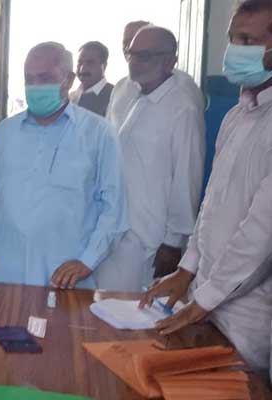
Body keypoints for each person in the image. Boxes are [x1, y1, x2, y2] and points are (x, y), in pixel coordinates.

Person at [140, 0, 272, 375]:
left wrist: (206, 298)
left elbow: (261, 238)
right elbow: (211, 207)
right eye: (232, 38)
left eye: (247, 39)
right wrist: (187, 270)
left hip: (247, 313)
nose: (233, 50)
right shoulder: (236, 116)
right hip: (205, 296)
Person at [0, 42, 128, 289]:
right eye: (28, 79)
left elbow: (114, 209)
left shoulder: (99, 133)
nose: (35, 87)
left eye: (44, 78)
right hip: (6, 271)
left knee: (65, 329)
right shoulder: (6, 132)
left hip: (67, 278)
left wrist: (87, 261)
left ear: (69, 79)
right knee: (4, 326)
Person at [95, 27, 205, 292]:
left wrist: (173, 242)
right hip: (111, 223)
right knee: (100, 305)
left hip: (150, 237)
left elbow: (187, 176)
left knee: (133, 315)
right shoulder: (123, 89)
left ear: (169, 62)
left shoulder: (183, 107)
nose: (133, 62)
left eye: (143, 56)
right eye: (131, 54)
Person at [107, 20, 205, 130]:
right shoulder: (120, 87)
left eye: (137, 39)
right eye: (126, 43)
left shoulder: (183, 89)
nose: (130, 46)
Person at [69, 41, 113, 116]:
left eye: (90, 62)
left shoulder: (114, 95)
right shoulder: (70, 97)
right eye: (80, 62)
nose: (82, 68)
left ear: (104, 66)